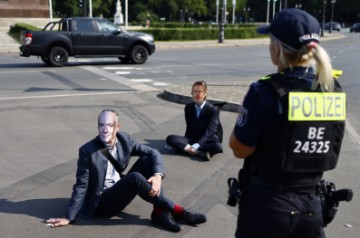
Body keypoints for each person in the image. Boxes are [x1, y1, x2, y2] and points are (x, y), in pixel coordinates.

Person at [229, 9, 346, 238]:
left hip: (268, 207)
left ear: (277, 49)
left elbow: (240, 148)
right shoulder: (331, 88)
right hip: (312, 207)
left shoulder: (263, 91)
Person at [46, 109, 207, 232]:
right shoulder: (87, 150)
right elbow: (81, 185)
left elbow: (153, 153)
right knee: (135, 177)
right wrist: (69, 216)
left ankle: (159, 212)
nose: (105, 130)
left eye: (109, 125)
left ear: (117, 127)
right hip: (102, 202)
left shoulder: (124, 139)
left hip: (120, 190)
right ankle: (179, 211)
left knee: (146, 160)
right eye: (101, 125)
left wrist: (158, 176)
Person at [166, 81, 223, 161]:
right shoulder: (188, 107)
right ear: (192, 93)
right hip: (193, 138)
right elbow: (189, 126)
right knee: (170, 138)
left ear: (205, 93)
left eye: (200, 91)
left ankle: (185, 148)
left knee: (217, 147)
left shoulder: (212, 109)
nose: (197, 94)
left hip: (207, 139)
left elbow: (210, 131)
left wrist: (197, 145)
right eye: (195, 92)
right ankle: (198, 153)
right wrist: (187, 141)